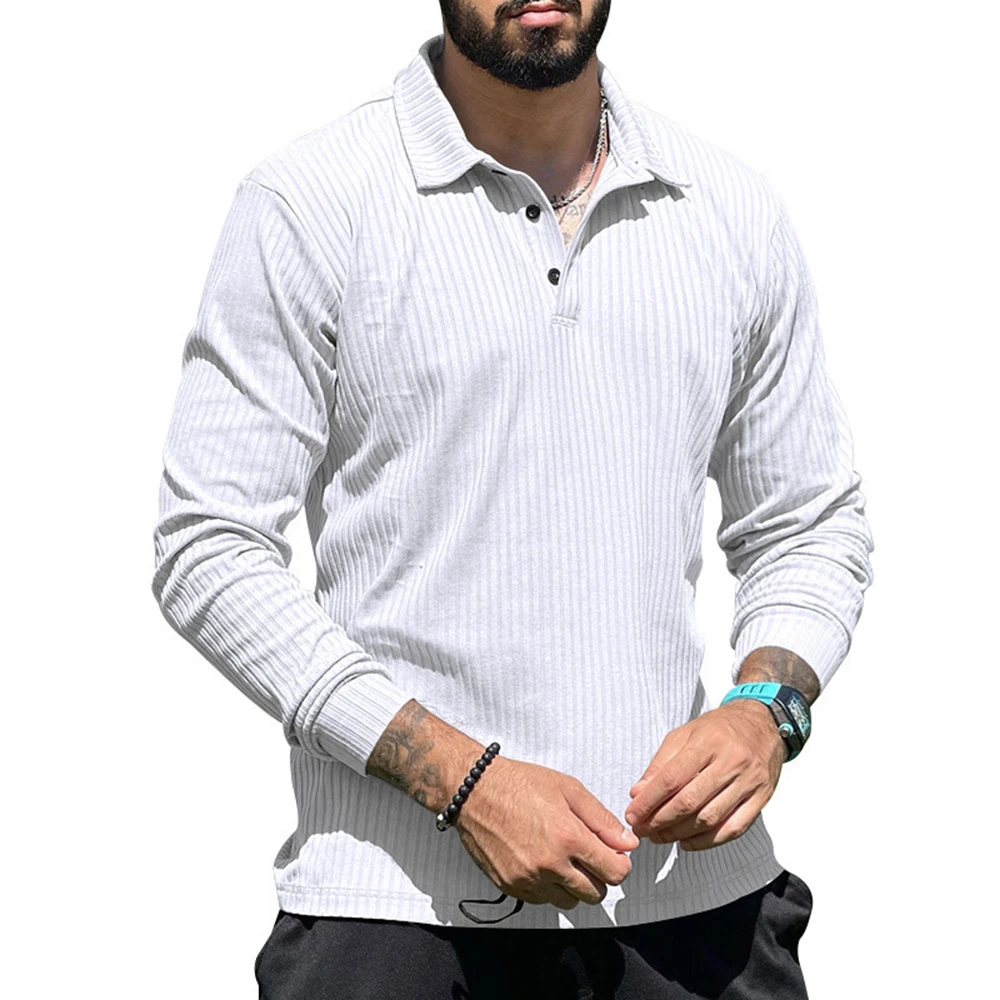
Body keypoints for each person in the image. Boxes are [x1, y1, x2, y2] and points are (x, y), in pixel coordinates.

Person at [151, 1, 875, 996]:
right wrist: (463, 781)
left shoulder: (728, 208)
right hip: (394, 924)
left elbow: (809, 521)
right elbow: (207, 547)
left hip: (693, 914)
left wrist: (764, 709)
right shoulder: (310, 201)